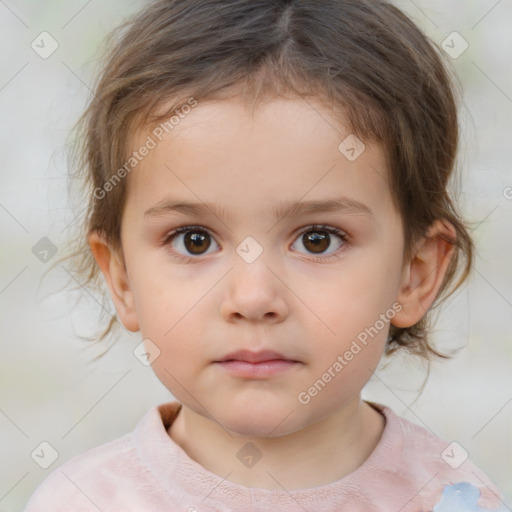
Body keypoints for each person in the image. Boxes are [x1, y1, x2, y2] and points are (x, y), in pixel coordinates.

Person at [24, 0, 506, 510]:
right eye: (195, 240)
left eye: (318, 239)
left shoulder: (455, 500)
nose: (253, 298)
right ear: (121, 278)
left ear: (415, 275)